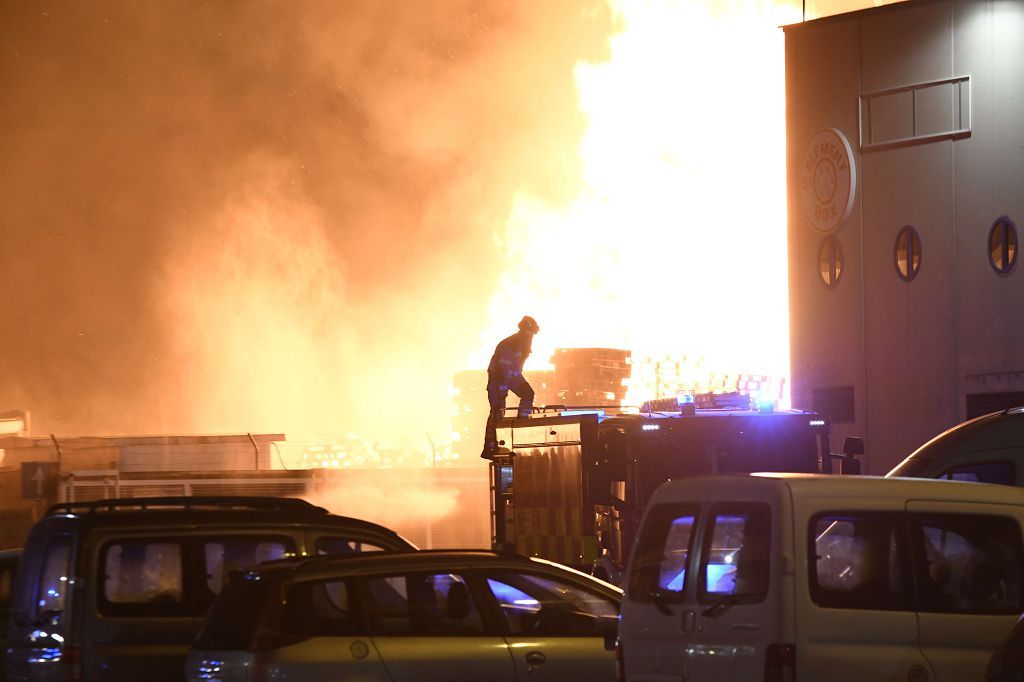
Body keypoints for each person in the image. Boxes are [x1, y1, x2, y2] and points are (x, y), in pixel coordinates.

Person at [481, 315, 539, 459]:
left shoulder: (521, 344)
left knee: (528, 394)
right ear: (523, 331)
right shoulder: (511, 344)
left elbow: (514, 370)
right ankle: (489, 446)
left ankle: (521, 423)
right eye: (529, 334)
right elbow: (504, 371)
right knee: (497, 411)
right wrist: (502, 391)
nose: (531, 337)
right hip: (498, 381)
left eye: (532, 335)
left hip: (510, 377)